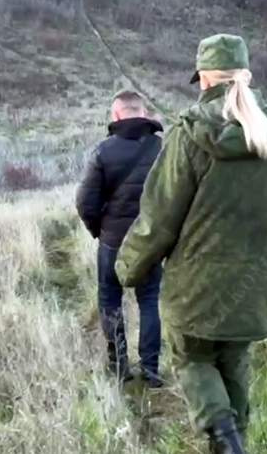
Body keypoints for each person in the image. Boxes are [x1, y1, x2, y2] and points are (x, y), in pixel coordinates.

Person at [115, 34, 267, 453]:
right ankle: (234, 441)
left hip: (198, 289)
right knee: (235, 357)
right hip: (261, 284)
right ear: (246, 76)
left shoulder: (190, 135)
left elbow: (158, 218)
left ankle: (226, 439)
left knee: (193, 357)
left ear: (204, 79)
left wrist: (127, 268)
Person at [75, 90, 165, 387]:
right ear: (144, 112)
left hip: (112, 242)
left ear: (116, 115)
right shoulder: (162, 149)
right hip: (149, 240)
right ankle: (151, 370)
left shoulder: (103, 151)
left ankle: (119, 366)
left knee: (110, 299)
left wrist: (99, 231)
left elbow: (85, 202)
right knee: (149, 300)